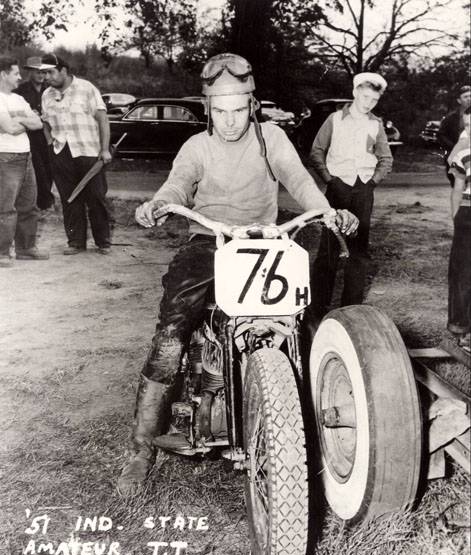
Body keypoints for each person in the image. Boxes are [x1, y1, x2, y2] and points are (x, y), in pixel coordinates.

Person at [117, 53, 359, 496]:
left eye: (239, 109)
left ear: (254, 105)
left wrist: (327, 211)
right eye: (220, 111)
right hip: (208, 240)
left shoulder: (273, 138)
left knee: (305, 318)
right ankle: (140, 449)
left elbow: (300, 181)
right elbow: (178, 183)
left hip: (265, 240)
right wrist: (159, 203)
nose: (230, 122)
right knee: (173, 330)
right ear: (208, 108)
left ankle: (317, 416)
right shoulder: (197, 147)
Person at [308, 72, 393, 323]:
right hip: (338, 188)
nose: (368, 103)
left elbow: (386, 158)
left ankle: (351, 309)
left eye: (374, 100)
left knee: (358, 250)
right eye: (365, 97)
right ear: (355, 92)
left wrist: (372, 182)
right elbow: (317, 152)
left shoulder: (376, 124)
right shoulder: (335, 119)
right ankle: (317, 307)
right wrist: (330, 180)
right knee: (330, 248)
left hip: (363, 190)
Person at [40, 53, 112, 255]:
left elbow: (103, 120)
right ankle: (76, 243)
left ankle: (103, 242)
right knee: (69, 199)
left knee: (96, 197)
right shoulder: (47, 95)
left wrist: (105, 149)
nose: (47, 77)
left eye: (50, 72)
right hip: (61, 152)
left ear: (63, 70)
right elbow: (45, 122)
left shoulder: (87, 88)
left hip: (88, 151)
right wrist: (49, 143)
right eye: (44, 74)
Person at [0, 55, 50, 268]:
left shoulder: (18, 99)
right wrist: (24, 121)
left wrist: (18, 120)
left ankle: (25, 248)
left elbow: (38, 123)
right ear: (3, 75)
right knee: (6, 208)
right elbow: (9, 129)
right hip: (6, 158)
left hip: (26, 156)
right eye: (15, 73)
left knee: (29, 205)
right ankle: (2, 252)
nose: (19, 77)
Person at [446, 105, 471, 352]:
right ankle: (462, 329)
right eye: (467, 126)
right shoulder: (462, 152)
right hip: (467, 214)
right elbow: (457, 189)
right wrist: (457, 218)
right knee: (463, 273)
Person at [16, 57, 55, 213]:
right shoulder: (20, 91)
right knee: (37, 169)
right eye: (37, 71)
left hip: (48, 136)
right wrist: (28, 115)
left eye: (44, 72)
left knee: (50, 168)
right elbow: (15, 114)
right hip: (30, 138)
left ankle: (43, 202)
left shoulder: (51, 90)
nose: (41, 75)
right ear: (30, 72)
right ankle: (42, 202)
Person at [437, 85, 471, 186]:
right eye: (465, 97)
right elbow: (441, 135)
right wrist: (453, 147)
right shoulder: (451, 118)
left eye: (470, 96)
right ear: (459, 100)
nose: (469, 99)